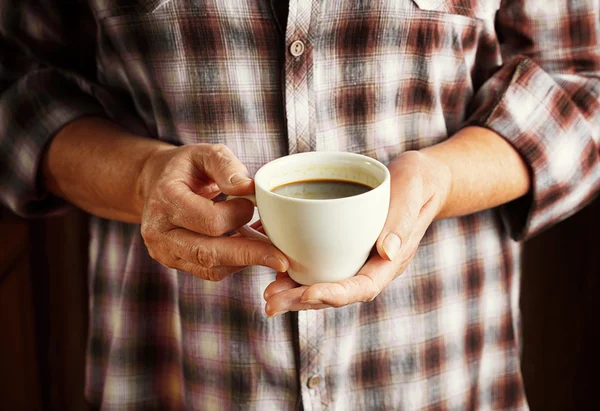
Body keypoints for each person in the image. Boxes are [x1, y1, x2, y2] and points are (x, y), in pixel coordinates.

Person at [1, 0, 599, 409]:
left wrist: (440, 177)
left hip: (439, 372)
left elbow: (582, 83)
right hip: (180, 373)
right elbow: (15, 81)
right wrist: (141, 178)